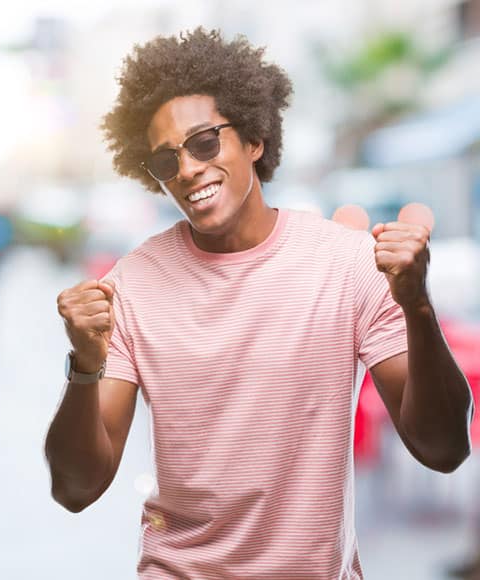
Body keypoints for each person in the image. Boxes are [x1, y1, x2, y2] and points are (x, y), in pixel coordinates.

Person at [43, 28, 475, 579]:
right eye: (166, 161)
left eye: (204, 142)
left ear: (253, 139)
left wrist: (418, 306)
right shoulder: (133, 286)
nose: (190, 169)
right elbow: (74, 488)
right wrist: (84, 365)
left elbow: (444, 449)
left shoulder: (347, 265)